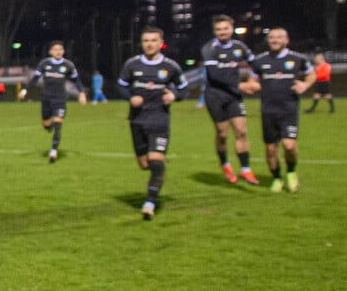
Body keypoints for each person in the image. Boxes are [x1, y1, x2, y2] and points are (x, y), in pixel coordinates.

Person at [117, 26, 188, 221]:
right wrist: (130, 98)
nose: (149, 44)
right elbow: (121, 86)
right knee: (144, 164)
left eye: (153, 40)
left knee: (155, 162)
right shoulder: (132, 65)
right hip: (137, 120)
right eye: (146, 40)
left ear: (160, 43)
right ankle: (158, 166)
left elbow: (184, 90)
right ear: (142, 43)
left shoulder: (171, 67)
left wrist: (174, 95)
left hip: (159, 120)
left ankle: (150, 203)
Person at [246, 28, 316, 193]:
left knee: (289, 145)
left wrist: (305, 85)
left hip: (289, 110)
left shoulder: (298, 59)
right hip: (268, 111)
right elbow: (252, 79)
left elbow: (312, 75)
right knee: (271, 149)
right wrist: (253, 85)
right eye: (271, 38)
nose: (275, 40)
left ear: (286, 40)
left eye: (279, 37)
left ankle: (291, 172)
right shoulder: (260, 61)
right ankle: (277, 178)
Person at [200, 14, 260, 185]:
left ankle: (246, 170)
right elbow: (215, 75)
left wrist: (253, 80)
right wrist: (240, 85)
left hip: (233, 96)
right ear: (214, 31)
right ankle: (225, 164)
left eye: (225, 28)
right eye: (219, 29)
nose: (222, 32)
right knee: (222, 134)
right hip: (215, 96)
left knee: (241, 131)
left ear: (231, 29)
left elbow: (256, 64)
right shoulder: (209, 48)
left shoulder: (239, 46)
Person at [28, 40, 84, 162]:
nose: (58, 51)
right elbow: (35, 78)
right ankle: (49, 125)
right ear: (50, 52)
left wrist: (81, 92)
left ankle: (53, 151)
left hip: (60, 99)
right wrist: (25, 90)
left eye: (60, 49)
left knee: (58, 123)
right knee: (46, 125)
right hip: (46, 98)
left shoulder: (68, 65)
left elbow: (76, 80)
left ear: (63, 51)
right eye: (56, 49)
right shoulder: (44, 64)